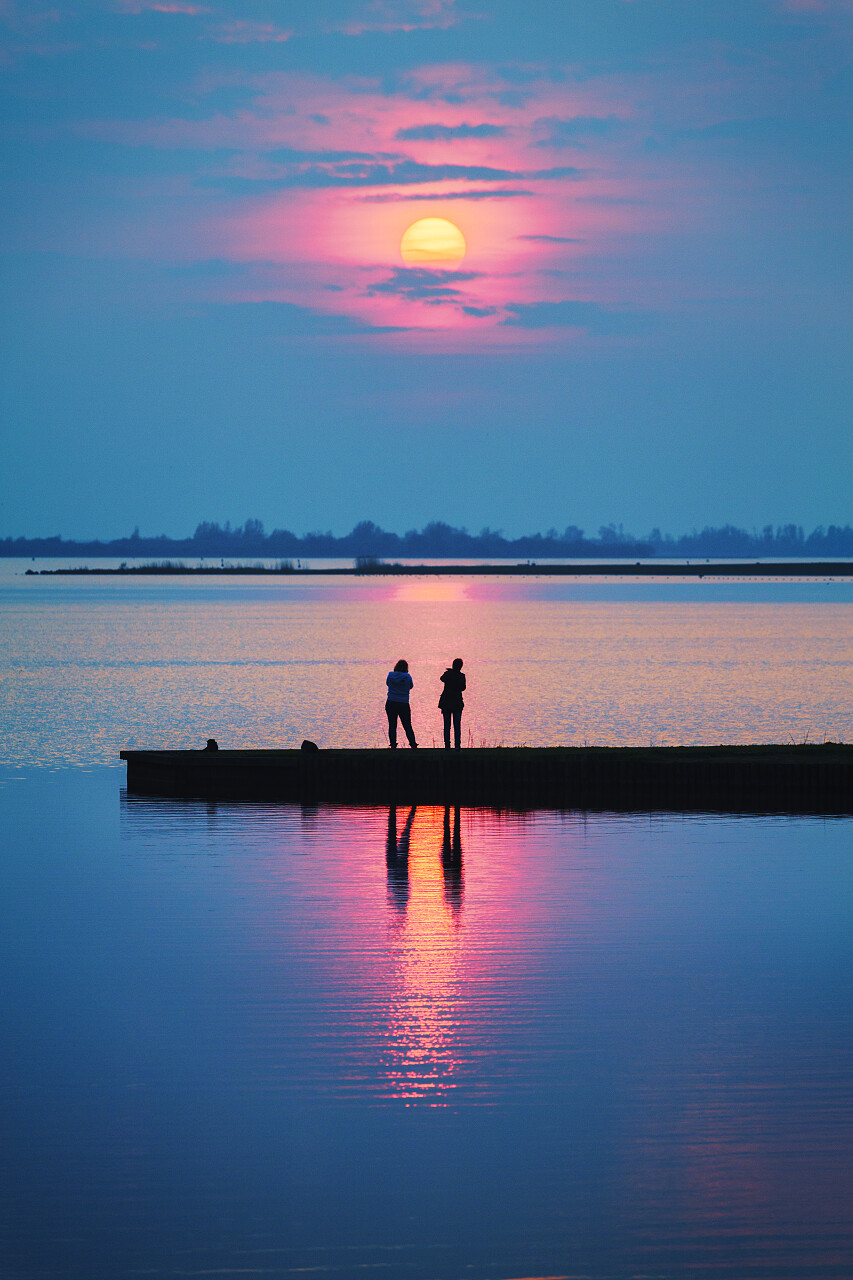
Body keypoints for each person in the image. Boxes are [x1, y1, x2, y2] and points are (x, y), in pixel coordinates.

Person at [386, 659, 418, 749]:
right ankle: (413, 744)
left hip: (391, 702)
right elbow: (411, 686)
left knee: (392, 725)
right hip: (403, 703)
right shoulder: (407, 676)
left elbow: (388, 684)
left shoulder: (390, 675)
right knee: (407, 725)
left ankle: (393, 744)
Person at [438, 658, 466, 749]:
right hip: (457, 703)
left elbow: (442, 678)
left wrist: (450, 672)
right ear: (461, 666)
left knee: (447, 726)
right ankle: (457, 746)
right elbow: (463, 688)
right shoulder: (461, 676)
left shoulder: (448, 674)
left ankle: (447, 746)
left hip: (446, 702)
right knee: (457, 726)